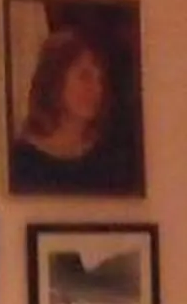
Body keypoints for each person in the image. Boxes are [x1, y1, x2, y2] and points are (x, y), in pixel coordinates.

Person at [8, 23, 141, 194]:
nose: (97, 89)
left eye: (100, 79)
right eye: (84, 77)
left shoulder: (114, 154)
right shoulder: (23, 160)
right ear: (54, 80)